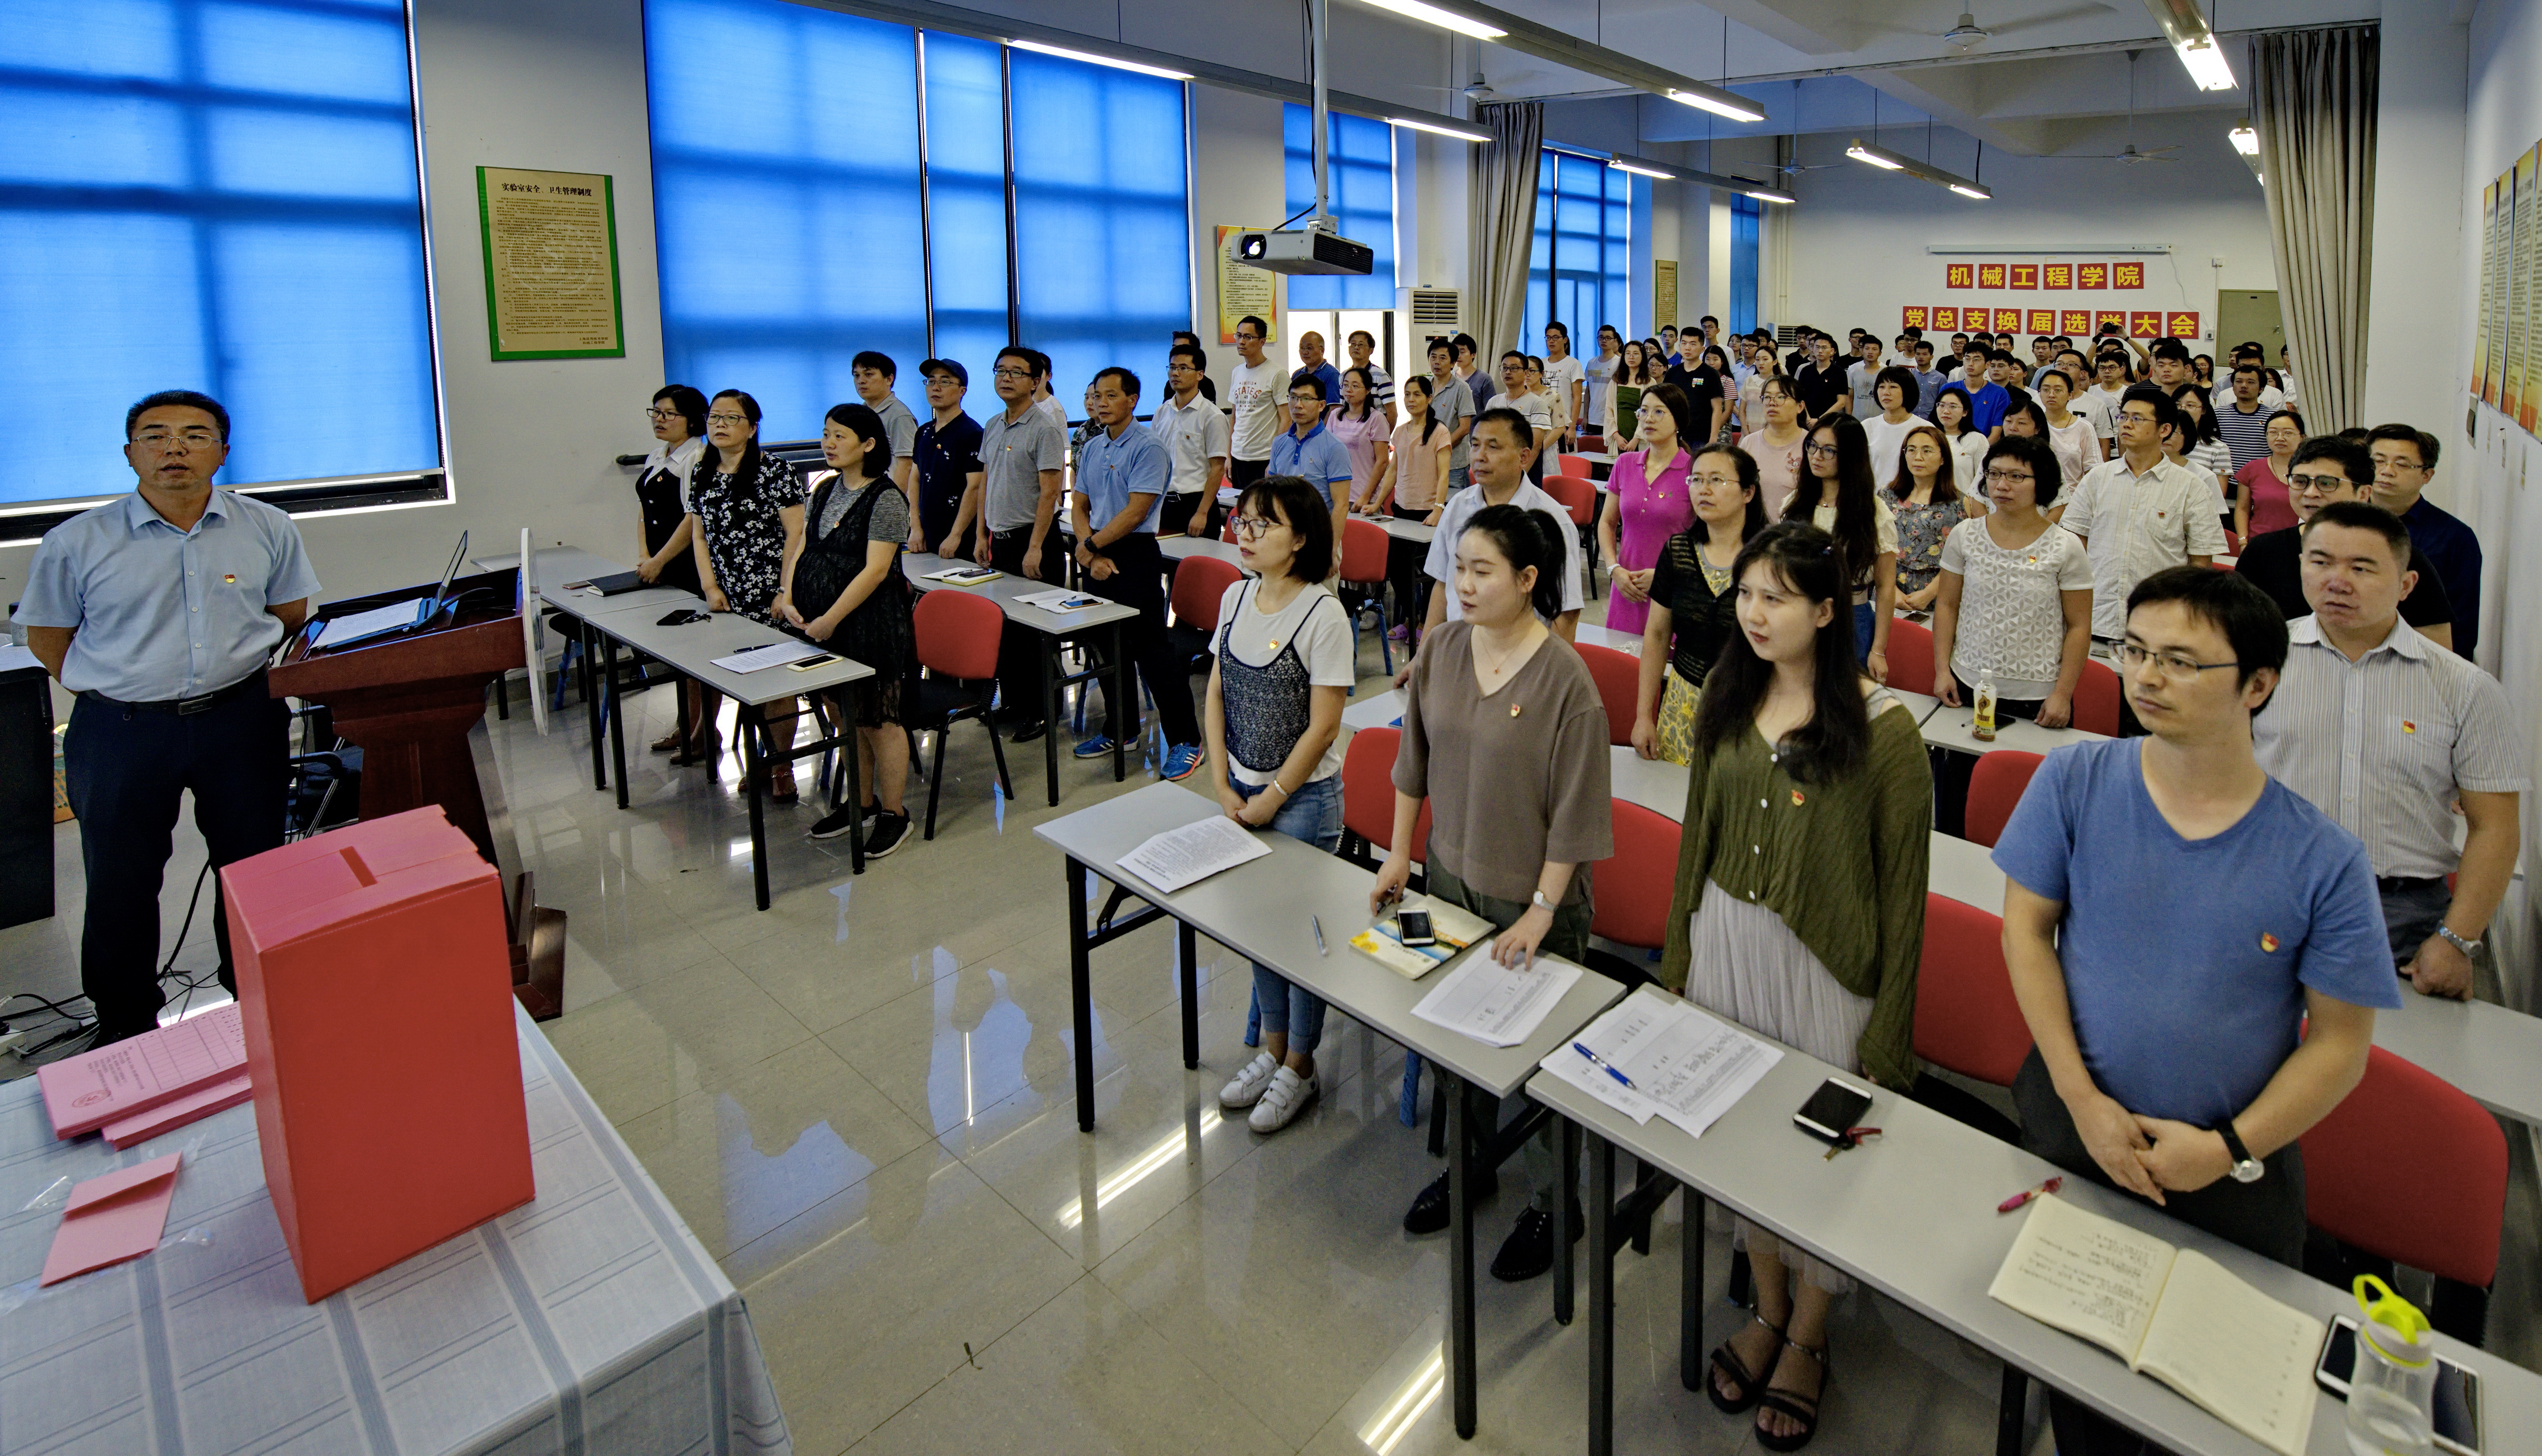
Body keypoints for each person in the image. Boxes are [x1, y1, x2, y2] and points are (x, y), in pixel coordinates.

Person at [1994, 565, 2400, 1456]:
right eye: (2134, 651)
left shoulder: (2321, 858)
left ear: (2256, 685)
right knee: (2081, 1385)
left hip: (2229, 1169)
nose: (2144, 677)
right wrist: (2080, 1098)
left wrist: (2224, 1148)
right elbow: (2025, 932)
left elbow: (2338, 1047)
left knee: (2208, 1405)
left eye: (2179, 661)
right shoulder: (2076, 780)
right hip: (2075, 1125)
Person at [1665, 522, 1930, 1452]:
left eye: (1775, 597)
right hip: (1725, 948)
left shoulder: (1886, 731)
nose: (1753, 612)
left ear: (1826, 611)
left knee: (1819, 1156)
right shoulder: (1727, 696)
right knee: (1743, 1138)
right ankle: (1768, 1308)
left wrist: (1889, 1034)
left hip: (1822, 971)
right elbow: (1695, 838)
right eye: (1745, 593)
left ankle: (1810, 1333)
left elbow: (1904, 899)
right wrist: (1676, 963)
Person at [20, 389, 318, 1043]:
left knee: (254, 868)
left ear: (223, 451)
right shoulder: (77, 541)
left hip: (241, 720)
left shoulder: (267, 526)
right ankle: (125, 1024)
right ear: (130, 454)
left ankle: (259, 999)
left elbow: (290, 613)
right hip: (121, 731)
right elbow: (48, 637)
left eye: (194, 435)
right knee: (120, 880)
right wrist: (119, 686)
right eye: (155, 436)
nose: (174, 448)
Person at [1375, 504, 1613, 1277]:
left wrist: (1541, 912)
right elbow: (1412, 764)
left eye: (1482, 571)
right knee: (1458, 1039)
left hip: (1531, 902)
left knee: (1534, 1060)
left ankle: (1554, 1203)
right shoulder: (1443, 649)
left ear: (1527, 579)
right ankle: (1471, 1165)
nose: (1464, 584)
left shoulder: (1566, 680)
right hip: (1449, 881)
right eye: (1459, 568)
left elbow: (1577, 817)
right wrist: (1398, 856)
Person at [2251, 499, 2522, 997]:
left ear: (2406, 584)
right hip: (2268, 896)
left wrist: (2457, 940)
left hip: (2400, 916)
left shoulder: (2465, 688)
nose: (2337, 581)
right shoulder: (2258, 663)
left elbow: (2495, 828)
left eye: (2362, 568)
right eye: (2321, 562)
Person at [1209, 477, 1356, 1133]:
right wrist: (1222, 783)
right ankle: (1271, 1052)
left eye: (1261, 524)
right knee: (1258, 929)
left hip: (1302, 801)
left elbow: (1323, 727)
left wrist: (1271, 797)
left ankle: (1300, 1064)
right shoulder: (1235, 596)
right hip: (1241, 794)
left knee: (1299, 939)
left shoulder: (1323, 614)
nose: (1244, 534)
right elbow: (1216, 693)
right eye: (1241, 521)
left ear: (1299, 539)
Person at [783, 403, 918, 856]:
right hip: (823, 624)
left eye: (839, 436)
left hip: (869, 626)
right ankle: (860, 803)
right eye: (826, 434)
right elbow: (804, 547)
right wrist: (788, 596)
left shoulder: (886, 499)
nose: (829, 443)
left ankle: (894, 813)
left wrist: (830, 619)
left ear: (869, 444)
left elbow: (876, 571)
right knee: (844, 715)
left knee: (879, 720)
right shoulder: (824, 488)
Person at [1068, 366, 1204, 779]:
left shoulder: (1149, 447)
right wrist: (1090, 552)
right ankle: (1121, 730)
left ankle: (1186, 741)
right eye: (1097, 396)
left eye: (1111, 396)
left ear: (1132, 400)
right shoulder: (1093, 446)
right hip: (1097, 548)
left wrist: (1091, 547)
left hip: (1135, 552)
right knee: (1107, 649)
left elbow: (1136, 512)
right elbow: (1079, 505)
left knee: (1153, 652)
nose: (1102, 403)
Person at [688, 389, 807, 798]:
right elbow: (699, 536)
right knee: (746, 681)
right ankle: (760, 760)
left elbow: (797, 534)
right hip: (728, 597)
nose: (720, 425)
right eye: (714, 417)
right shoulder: (702, 472)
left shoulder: (774, 470)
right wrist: (710, 587)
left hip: (774, 595)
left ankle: (781, 766)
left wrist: (784, 591)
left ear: (752, 428)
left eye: (731, 418)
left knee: (777, 683)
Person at [1931, 433, 2093, 727]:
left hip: (2039, 694)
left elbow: (2079, 626)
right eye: (1994, 474)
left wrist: (2063, 694)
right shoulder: (1965, 534)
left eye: (2016, 476)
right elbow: (1947, 605)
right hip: (1966, 680)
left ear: (2041, 482)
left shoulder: (2065, 545)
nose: (2002, 485)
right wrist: (1943, 670)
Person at [2234, 436, 2453, 649]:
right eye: (2300, 481)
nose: (2311, 493)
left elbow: (2436, 649)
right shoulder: (2262, 551)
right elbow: (2236, 632)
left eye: (2326, 483)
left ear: (2363, 493)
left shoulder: (2401, 557)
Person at [1405, 408, 1586, 661]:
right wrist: (1423, 659)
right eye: (1475, 445)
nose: (1480, 456)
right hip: (1460, 655)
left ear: (1524, 457)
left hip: (1520, 661)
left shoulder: (1551, 521)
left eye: (1493, 447)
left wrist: (1545, 675)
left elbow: (1566, 613)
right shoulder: (1457, 507)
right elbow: (1442, 586)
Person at [2060, 387, 2226, 654]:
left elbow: (2200, 562)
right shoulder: (2097, 479)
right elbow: (2075, 542)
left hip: (2157, 626)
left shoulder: (2191, 487)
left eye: (2137, 418)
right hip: (2095, 618)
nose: (2126, 424)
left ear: (2164, 430)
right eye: (2123, 417)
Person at [1630, 443, 1767, 766]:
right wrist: (1643, 715)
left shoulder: (1769, 559)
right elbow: (1657, 635)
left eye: (1717, 480)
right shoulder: (1678, 551)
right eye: (1696, 479)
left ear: (1748, 492)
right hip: (1682, 705)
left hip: (1750, 711)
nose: (1703, 490)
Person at [972, 346, 1069, 741]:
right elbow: (986, 482)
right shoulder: (993, 424)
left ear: (1036, 381)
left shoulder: (1045, 428)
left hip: (1035, 542)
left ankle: (1044, 711)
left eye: (1016, 372)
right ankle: (1013, 702)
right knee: (1007, 631)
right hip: (1000, 541)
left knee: (1036, 635)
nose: (1006, 378)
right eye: (1001, 371)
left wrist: (1035, 547)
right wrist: (981, 534)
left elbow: (1050, 492)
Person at [1784, 414, 1898, 675]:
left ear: (1850, 455)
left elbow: (1885, 587)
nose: (1817, 456)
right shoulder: (1795, 503)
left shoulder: (1874, 513)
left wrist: (1879, 650)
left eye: (1829, 450)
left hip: (1852, 616)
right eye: (1812, 446)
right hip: (1799, 613)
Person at [634, 384, 710, 754]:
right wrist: (644, 555)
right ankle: (686, 724)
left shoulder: (698, 457)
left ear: (692, 420)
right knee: (679, 654)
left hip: (689, 567)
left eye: (669, 414)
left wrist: (660, 560)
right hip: (660, 566)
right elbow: (643, 511)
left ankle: (703, 732)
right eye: (656, 412)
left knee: (698, 653)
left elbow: (691, 520)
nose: (659, 420)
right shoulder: (657, 455)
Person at [2368, 423, 2483, 658]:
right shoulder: (2339, 524)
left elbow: (2462, 623)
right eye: (2378, 461)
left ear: (2427, 475)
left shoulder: (2454, 537)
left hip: (2417, 661)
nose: (2387, 471)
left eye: (2401, 464)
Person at [1598, 383, 1699, 638]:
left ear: (1678, 421)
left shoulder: (1694, 471)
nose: (1648, 419)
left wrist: (1667, 574)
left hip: (1673, 587)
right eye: (1643, 411)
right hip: (1626, 585)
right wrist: (1614, 569)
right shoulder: (1625, 463)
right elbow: (1607, 523)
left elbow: (1705, 539)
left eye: (1659, 412)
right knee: (1619, 655)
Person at [1881, 422, 1977, 612]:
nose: (1918, 457)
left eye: (1927, 451)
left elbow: (1963, 556)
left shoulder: (1958, 503)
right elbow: (1873, 547)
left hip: (1938, 593)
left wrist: (1929, 594)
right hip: (1889, 588)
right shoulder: (1887, 496)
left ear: (1943, 458)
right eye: (1911, 450)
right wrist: (1890, 590)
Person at [1268, 373, 1356, 554]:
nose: (1298, 405)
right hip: (1283, 535)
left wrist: (1331, 550)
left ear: (1322, 405)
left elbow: (1341, 505)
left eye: (1306, 398)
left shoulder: (1334, 447)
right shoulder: (1279, 442)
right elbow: (1271, 491)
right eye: (1293, 398)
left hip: (1318, 537)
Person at [907, 359, 985, 561]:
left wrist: (956, 535)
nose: (936, 388)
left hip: (958, 536)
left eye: (945, 382)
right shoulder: (924, 431)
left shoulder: (972, 433)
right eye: (931, 381)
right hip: (924, 534)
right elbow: (915, 478)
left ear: (962, 391)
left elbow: (975, 487)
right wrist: (915, 527)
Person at [1151, 341, 1230, 537]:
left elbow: (1217, 469)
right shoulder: (1161, 412)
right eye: (1172, 368)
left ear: (1200, 375)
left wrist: (1202, 513)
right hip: (1165, 504)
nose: (1175, 374)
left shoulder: (1212, 416)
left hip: (1196, 504)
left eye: (1183, 368)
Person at [2232, 407, 2306, 542]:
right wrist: (2243, 542)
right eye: (2273, 432)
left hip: (2300, 543)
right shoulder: (2252, 469)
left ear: (2302, 438)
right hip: (2258, 542)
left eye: (2288, 433)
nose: (2280, 438)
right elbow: (2242, 509)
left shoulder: (2310, 471)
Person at [851, 350, 919, 497]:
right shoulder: (861, 413)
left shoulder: (899, 416)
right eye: (857, 375)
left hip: (889, 499)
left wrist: (895, 501)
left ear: (889, 379)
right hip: (868, 495)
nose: (861, 381)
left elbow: (907, 465)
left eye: (869, 374)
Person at [1227, 315, 1283, 491]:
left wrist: (1275, 458)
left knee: (1263, 505)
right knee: (1240, 504)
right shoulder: (1237, 372)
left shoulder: (1277, 374)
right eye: (1239, 336)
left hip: (1263, 457)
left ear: (1262, 342)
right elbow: (1234, 416)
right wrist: (1228, 456)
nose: (1241, 341)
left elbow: (1287, 420)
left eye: (1248, 337)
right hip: (1238, 456)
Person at [1739, 375, 1807, 519]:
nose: (1772, 403)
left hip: (1795, 529)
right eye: (1767, 397)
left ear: (1800, 407)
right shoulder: (1749, 443)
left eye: (1781, 397)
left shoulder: (1811, 445)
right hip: (1755, 529)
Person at [1329, 366, 1393, 515]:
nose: (1349, 390)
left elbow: (1382, 462)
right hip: (1336, 495)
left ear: (1368, 390)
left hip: (1363, 496)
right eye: (1345, 385)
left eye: (1355, 386)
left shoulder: (1376, 419)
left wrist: (1365, 496)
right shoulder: (1335, 416)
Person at [2034, 366, 2101, 495]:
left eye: (2058, 390)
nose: (2051, 395)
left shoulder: (2084, 427)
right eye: (2046, 390)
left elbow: (2093, 471)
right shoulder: (2033, 424)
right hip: (2037, 496)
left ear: (2070, 395)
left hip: (2073, 496)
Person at [1424, 337, 1477, 491]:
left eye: (1443, 358)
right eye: (1433, 357)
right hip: (1427, 463)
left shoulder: (1462, 388)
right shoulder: (1424, 386)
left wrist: (1439, 449)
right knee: (1430, 504)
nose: (1437, 362)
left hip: (1453, 466)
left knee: (1452, 505)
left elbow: (1464, 428)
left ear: (1453, 363)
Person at [1859, 365, 1920, 489]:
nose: (1886, 392)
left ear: (1907, 390)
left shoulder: (1922, 428)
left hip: (1910, 497)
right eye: (1882, 387)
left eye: (1893, 387)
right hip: (1873, 497)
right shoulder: (1867, 426)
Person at [1496, 350, 1553, 475]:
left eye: (1514, 368)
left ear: (1526, 373)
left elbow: (1536, 445)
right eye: (1504, 368)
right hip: (1498, 467)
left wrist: (1519, 476)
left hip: (1526, 471)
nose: (1508, 372)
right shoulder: (1494, 402)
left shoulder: (1537, 403)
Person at [2212, 363, 2276, 474]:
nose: (2244, 386)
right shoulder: (2218, 414)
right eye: (2239, 381)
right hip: (2225, 478)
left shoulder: (2273, 417)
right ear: (2233, 387)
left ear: (2261, 388)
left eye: (2251, 382)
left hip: (2258, 479)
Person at [1791, 333, 1849, 428]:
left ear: (1832, 351)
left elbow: (1842, 402)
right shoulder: (1805, 371)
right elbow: (1800, 397)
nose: (1820, 351)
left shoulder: (1840, 373)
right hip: (1806, 422)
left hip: (1829, 422)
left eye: (1824, 348)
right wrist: (1808, 419)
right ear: (1813, 349)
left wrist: (1820, 420)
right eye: (1817, 347)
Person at [1543, 321, 1585, 447]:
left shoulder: (1573, 364)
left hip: (1563, 424)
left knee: (1564, 458)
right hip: (1543, 422)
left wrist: (1572, 427)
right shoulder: (1541, 364)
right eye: (1548, 338)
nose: (1551, 341)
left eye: (1556, 337)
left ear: (1565, 340)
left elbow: (1577, 398)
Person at [1344, 328, 1397, 427]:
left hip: (1374, 429)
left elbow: (1392, 413)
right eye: (1353, 344)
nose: (1356, 348)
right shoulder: (1343, 376)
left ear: (1371, 350)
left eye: (1361, 345)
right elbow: (1343, 407)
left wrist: (1384, 434)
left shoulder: (1381, 375)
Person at [1604, 338, 1651, 443]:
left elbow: (1649, 412)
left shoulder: (1649, 382)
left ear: (1643, 356)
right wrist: (1616, 436)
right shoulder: (1615, 381)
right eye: (1628, 353)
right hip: (1618, 438)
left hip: (1641, 438)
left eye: (1636, 354)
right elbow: (1609, 410)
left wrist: (1636, 439)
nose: (1631, 357)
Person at [1295, 329, 1342, 405]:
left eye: (1309, 348)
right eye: (1302, 348)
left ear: (1322, 351)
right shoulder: (1297, 374)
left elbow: (1334, 408)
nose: (1305, 352)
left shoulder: (1331, 374)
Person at [1846, 335, 1884, 423]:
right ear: (1862, 351)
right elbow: (1849, 396)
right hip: (1857, 420)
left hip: (1879, 419)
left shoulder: (1885, 371)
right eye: (1867, 349)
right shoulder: (1853, 369)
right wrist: (1848, 417)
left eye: (1874, 349)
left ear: (1880, 353)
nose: (1870, 352)